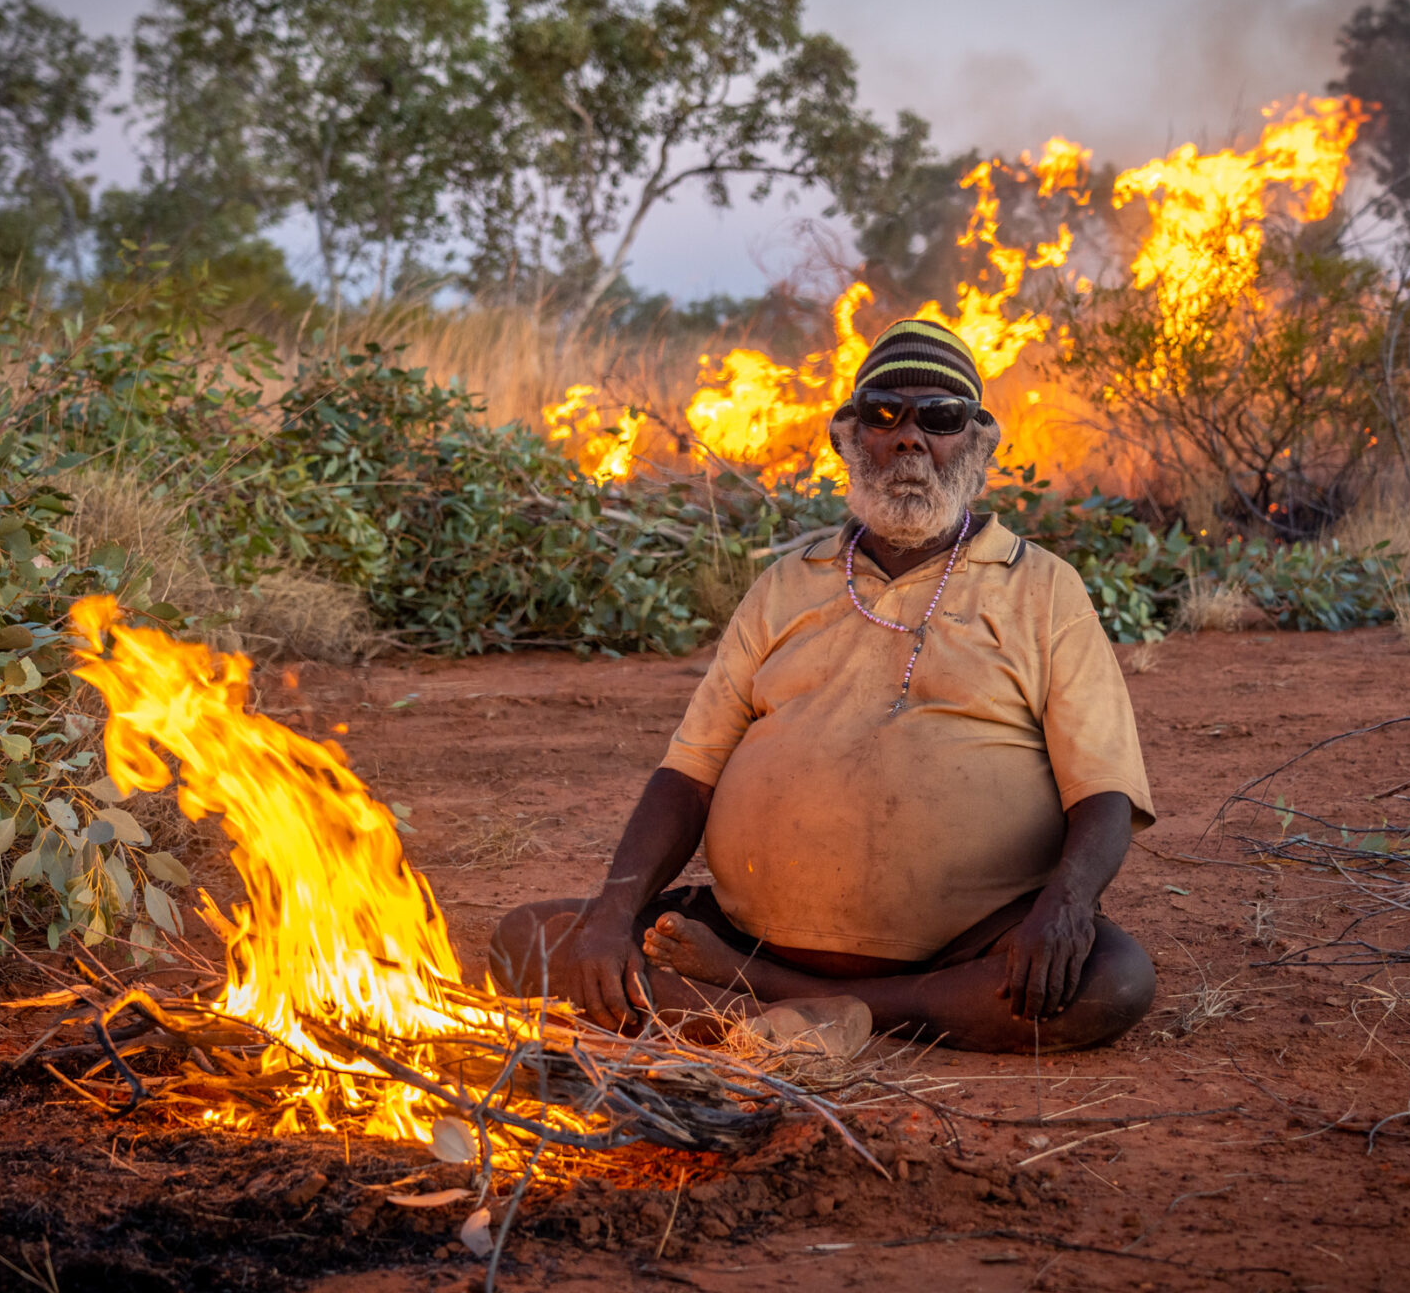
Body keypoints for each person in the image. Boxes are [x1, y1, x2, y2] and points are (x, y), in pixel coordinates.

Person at [491, 319, 1157, 1052]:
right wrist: (615, 914)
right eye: (884, 414)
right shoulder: (786, 583)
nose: (909, 438)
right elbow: (689, 773)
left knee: (1113, 981)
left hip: (965, 946)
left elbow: (1104, 790)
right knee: (531, 939)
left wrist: (1067, 904)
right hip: (749, 930)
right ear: (847, 437)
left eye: (940, 418)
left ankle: (763, 1002)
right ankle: (835, 1010)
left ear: (978, 441)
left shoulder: (1043, 587)